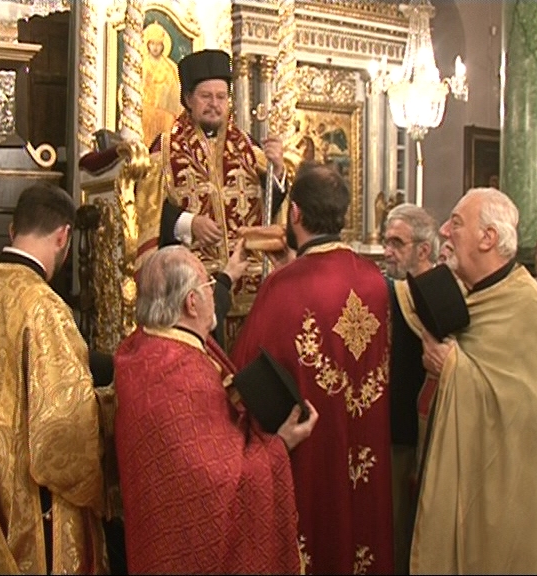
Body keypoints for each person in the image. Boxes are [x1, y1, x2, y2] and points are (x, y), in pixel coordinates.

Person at [0, 182, 108, 574]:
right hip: (28, 510)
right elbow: (64, 436)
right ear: (63, 236)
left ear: (13, 230)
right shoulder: (44, 307)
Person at [113, 244, 318, 574]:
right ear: (191, 303)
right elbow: (219, 483)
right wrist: (280, 445)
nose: (214, 292)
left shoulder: (143, 347)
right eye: (210, 284)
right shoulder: (184, 375)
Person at [231, 164, 394, 574]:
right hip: (365, 439)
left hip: (310, 449)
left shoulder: (284, 285)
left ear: (295, 213)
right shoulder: (374, 279)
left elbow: (243, 370)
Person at [397, 187, 537, 573]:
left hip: (504, 486)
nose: (445, 233)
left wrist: (452, 367)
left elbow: (524, 409)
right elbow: (405, 301)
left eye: (456, 223)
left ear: (488, 237)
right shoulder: (467, 294)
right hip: (455, 467)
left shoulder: (530, 306)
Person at [135, 48, 290, 349]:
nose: (215, 104)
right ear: (188, 99)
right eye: (206, 96)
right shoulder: (164, 149)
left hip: (250, 289)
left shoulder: (248, 146)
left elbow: (273, 204)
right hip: (192, 295)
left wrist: (279, 170)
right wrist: (189, 223)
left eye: (221, 97)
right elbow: (148, 212)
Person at [381, 202, 439, 575]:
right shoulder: (387, 291)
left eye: (397, 243)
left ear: (423, 249)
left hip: (435, 426)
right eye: (386, 242)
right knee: (397, 524)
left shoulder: (441, 292)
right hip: (397, 429)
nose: (388, 251)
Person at [140, 21, 181, 147]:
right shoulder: (141, 65)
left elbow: (175, 93)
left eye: (158, 44)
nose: (155, 47)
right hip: (146, 114)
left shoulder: (170, 67)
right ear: (147, 45)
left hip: (165, 116)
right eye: (152, 43)